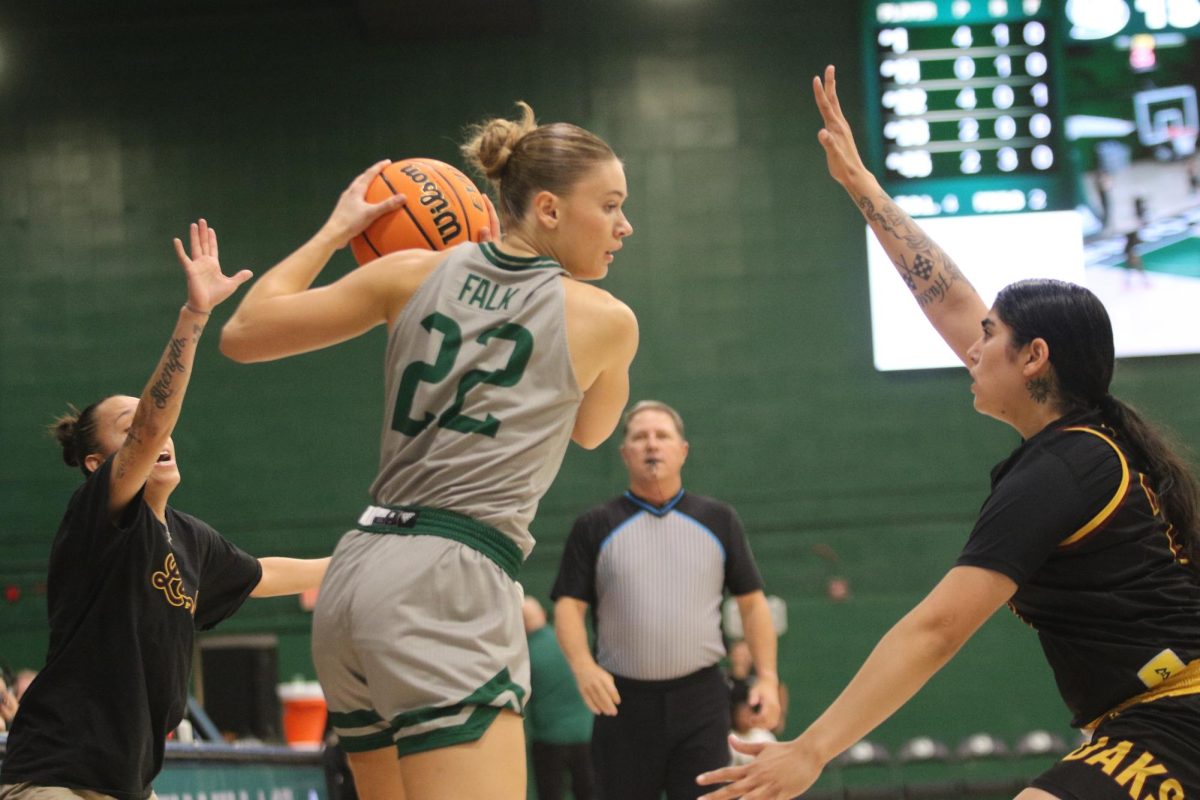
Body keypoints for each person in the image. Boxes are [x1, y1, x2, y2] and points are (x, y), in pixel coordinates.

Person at [696, 64, 1200, 800]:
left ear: (1034, 359)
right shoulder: (1088, 446)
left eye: (991, 338)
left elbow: (936, 630)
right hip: (1150, 720)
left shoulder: (1062, 471)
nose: (972, 349)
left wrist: (812, 750)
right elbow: (953, 300)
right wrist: (862, 188)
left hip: (1175, 723)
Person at [219, 102, 638, 800]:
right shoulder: (607, 320)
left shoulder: (411, 272)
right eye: (612, 205)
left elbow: (245, 331)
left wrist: (337, 230)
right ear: (549, 209)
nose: (624, 226)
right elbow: (593, 431)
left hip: (355, 576)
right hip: (453, 578)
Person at [0, 221, 331, 800]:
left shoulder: (190, 539)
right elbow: (154, 422)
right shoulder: (97, 518)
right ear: (98, 463)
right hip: (55, 778)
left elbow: (268, 574)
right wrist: (194, 315)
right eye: (130, 433)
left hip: (129, 784)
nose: (158, 435)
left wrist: (376, 557)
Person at [552, 400, 780, 800]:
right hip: (621, 705)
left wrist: (767, 677)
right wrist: (583, 667)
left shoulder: (718, 519)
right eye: (639, 437)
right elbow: (569, 606)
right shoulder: (595, 525)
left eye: (662, 436)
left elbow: (752, 603)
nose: (651, 445)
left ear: (683, 450)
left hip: (702, 702)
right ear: (625, 453)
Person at [523, 597, 596, 800]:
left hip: (549, 740)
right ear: (543, 616)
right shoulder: (569, 640)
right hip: (585, 734)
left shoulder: (524, 653)